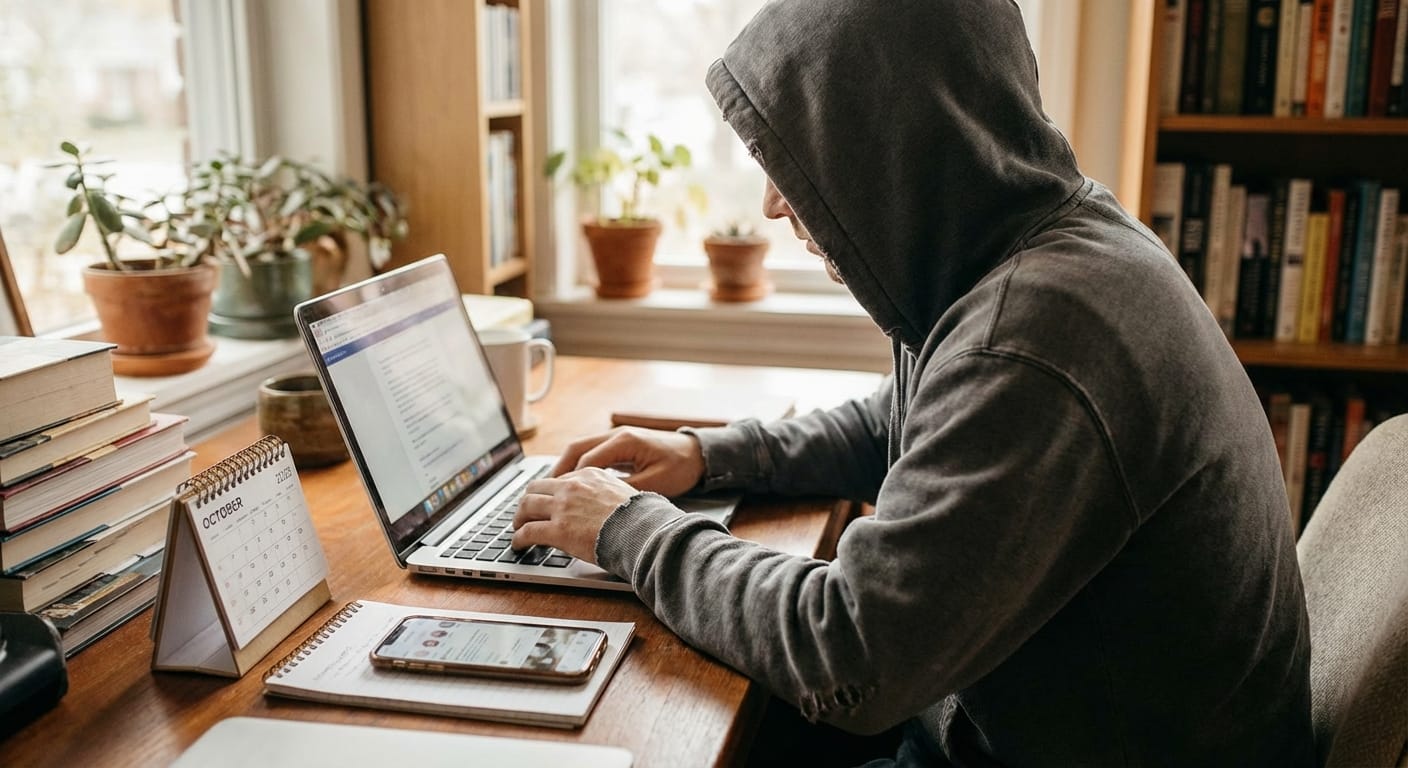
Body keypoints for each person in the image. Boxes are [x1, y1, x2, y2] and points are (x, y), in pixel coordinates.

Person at [512, 0, 1314, 764]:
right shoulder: (1042, 243)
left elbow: (847, 654)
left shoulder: (1036, 343)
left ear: (891, 143)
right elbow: (898, 421)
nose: (770, 205)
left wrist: (629, 532)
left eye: (796, 155)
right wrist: (709, 455)